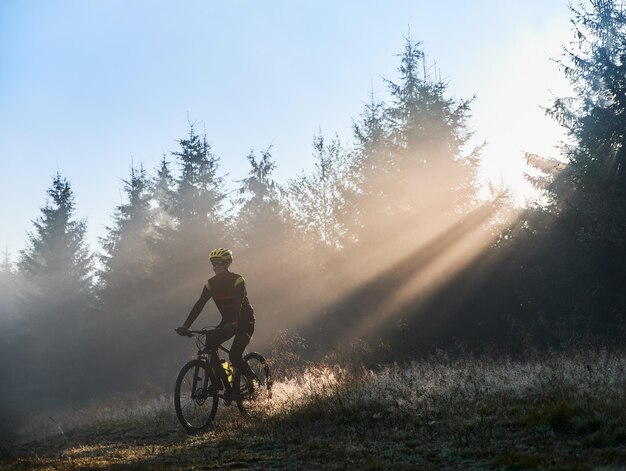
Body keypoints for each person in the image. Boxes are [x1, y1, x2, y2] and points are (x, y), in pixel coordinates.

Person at [176, 248, 256, 397]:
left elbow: (238, 303)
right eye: (213, 263)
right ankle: (222, 382)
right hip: (227, 321)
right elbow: (199, 304)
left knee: (235, 356)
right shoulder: (210, 284)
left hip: (244, 321)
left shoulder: (238, 280)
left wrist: (234, 322)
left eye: (219, 263)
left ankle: (253, 383)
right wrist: (186, 325)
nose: (216, 266)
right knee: (209, 346)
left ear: (228, 263)